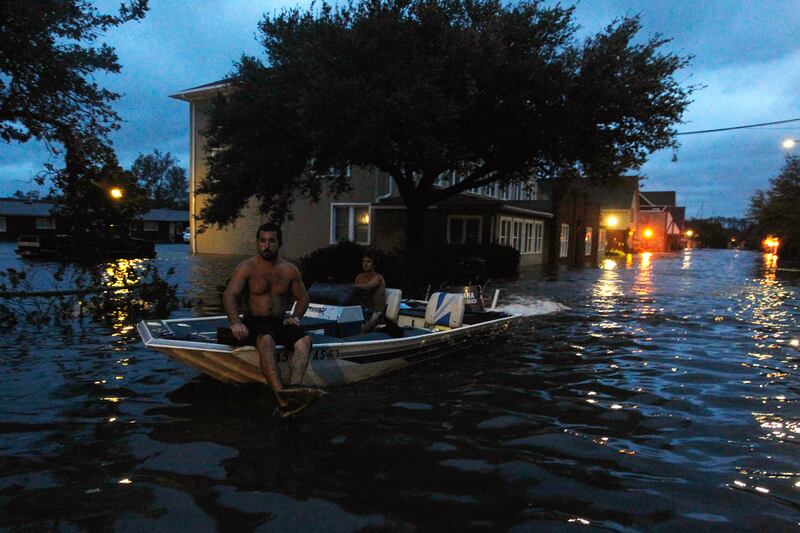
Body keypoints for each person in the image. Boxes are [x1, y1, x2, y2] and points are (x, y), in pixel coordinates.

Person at [223, 223, 316, 416]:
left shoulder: (289, 269)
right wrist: (235, 322)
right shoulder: (246, 268)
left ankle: (294, 390)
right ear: (257, 243)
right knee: (266, 340)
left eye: (271, 241)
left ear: (279, 243)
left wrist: (296, 317)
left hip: (279, 322)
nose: (267, 245)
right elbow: (229, 295)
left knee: (304, 341)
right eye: (262, 240)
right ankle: (282, 397)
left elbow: (303, 297)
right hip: (255, 321)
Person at [354, 251, 386, 332]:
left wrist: (347, 286)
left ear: (374, 264)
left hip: (376, 313)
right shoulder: (359, 277)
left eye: (368, 261)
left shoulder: (378, 277)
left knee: (361, 331)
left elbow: (368, 287)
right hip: (361, 311)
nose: (365, 264)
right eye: (363, 261)